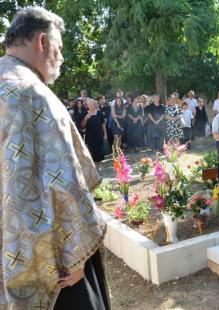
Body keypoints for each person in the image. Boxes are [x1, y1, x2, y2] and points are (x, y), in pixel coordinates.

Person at [0, 7, 109, 309]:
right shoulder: (33, 94)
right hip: (50, 265)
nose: (61, 58)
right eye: (59, 49)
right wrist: (75, 253)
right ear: (41, 42)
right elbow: (66, 182)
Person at [81, 99, 107, 168]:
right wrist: (86, 118)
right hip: (90, 136)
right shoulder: (85, 113)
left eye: (91, 104)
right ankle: (94, 164)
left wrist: (105, 134)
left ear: (93, 104)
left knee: (100, 149)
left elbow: (103, 124)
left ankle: (99, 164)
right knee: (92, 149)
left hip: (99, 134)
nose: (90, 105)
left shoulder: (99, 113)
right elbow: (82, 125)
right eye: (89, 104)